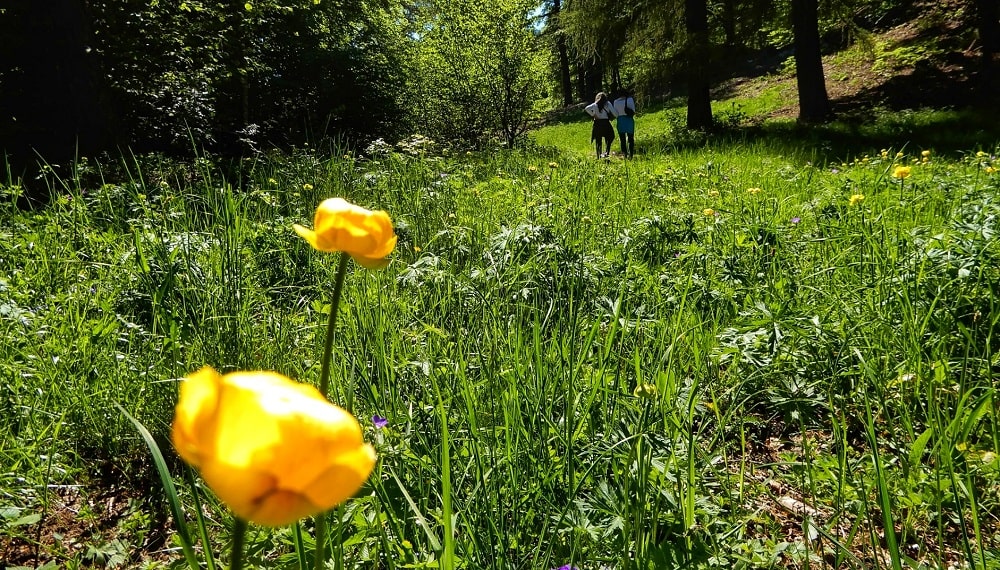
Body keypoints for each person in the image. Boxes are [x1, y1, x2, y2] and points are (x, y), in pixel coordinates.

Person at [584, 92, 617, 159]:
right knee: (610, 137)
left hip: (597, 123)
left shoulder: (595, 104)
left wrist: (593, 115)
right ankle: (607, 153)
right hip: (605, 123)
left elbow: (586, 108)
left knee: (598, 140)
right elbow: (615, 114)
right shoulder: (608, 104)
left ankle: (598, 156)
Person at [613, 89, 637, 158]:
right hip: (629, 119)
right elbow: (633, 110)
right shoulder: (630, 99)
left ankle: (624, 154)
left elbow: (615, 113)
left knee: (622, 139)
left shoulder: (615, 101)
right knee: (630, 138)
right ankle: (631, 154)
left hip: (620, 120)